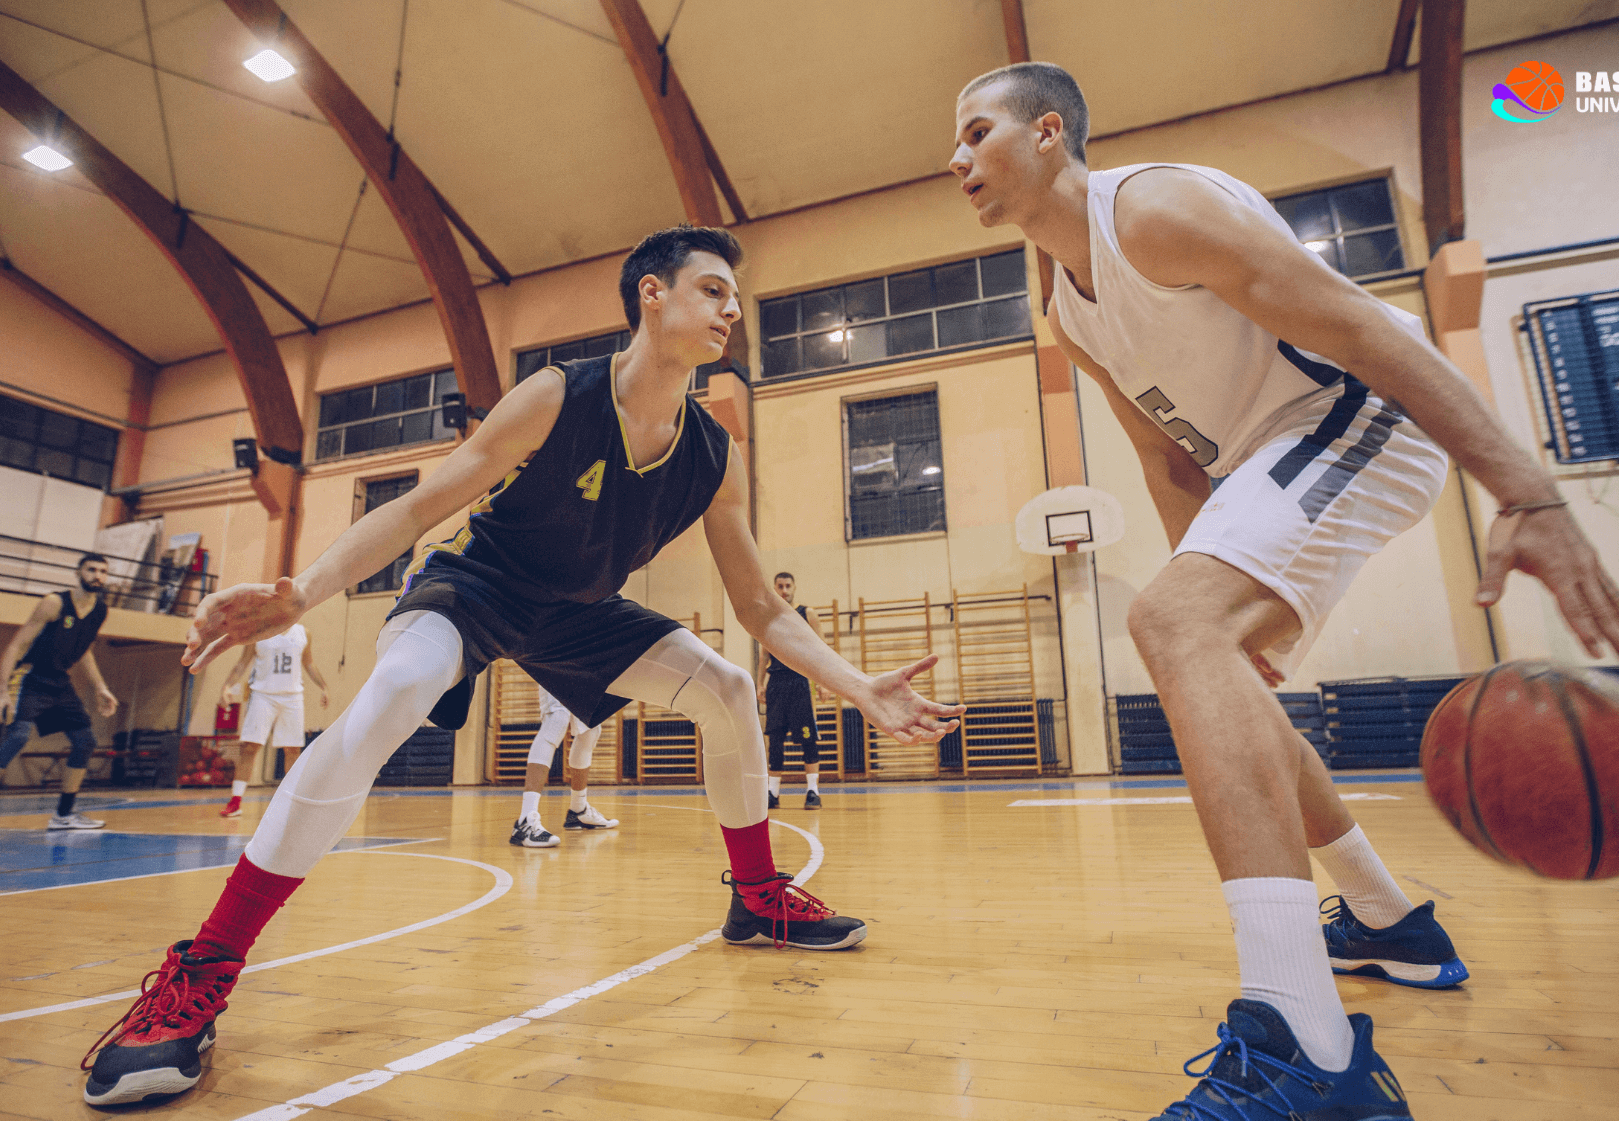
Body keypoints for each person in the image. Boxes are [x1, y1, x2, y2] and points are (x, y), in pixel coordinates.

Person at [79, 225, 964, 1106]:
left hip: (579, 613)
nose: (731, 308)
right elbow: (424, 502)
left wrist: (857, 685)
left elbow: (761, 608)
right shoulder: (556, 396)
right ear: (651, 294)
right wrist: (302, 591)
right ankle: (198, 979)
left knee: (729, 690)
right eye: (711, 289)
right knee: (389, 695)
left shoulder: (712, 453)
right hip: (477, 588)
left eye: (736, 296)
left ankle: (759, 897)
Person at [949, 62, 1619, 1118]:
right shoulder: (1065, 304)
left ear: (1048, 132)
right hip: (1266, 453)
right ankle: (1382, 916)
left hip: (1363, 412)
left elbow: (1364, 329)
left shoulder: (1155, 211)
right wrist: (1212, 621)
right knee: (1194, 641)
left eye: (974, 132)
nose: (954, 159)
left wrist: (1525, 491)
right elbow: (1167, 461)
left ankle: (1311, 1052)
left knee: (1175, 622)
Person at [0, 554, 120, 842]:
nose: (97, 575)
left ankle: (64, 815)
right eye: (91, 569)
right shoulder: (54, 603)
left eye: (103, 571)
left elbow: (84, 650)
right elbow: (16, 646)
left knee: (85, 740)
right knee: (17, 738)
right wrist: (1, 691)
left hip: (59, 682)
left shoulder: (100, 610)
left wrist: (101, 687)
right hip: (30, 676)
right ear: (78, 572)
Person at [216, 622, 329, 818]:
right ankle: (235, 801)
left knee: (292, 750)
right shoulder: (258, 630)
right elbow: (243, 662)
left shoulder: (304, 633)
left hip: (292, 697)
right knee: (249, 747)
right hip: (263, 695)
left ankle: (290, 801)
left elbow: (309, 663)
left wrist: (323, 687)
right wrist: (227, 686)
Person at [511, 685, 620, 847]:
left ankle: (578, 810)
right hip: (550, 660)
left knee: (590, 728)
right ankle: (525, 822)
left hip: (580, 665)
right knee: (557, 719)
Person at [758, 572, 827, 810]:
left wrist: (823, 683)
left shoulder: (807, 614)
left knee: (808, 739)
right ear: (774, 588)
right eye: (780, 586)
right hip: (776, 684)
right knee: (775, 740)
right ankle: (773, 793)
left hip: (800, 682)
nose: (784, 590)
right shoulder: (768, 617)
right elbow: (764, 655)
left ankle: (812, 791)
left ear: (794, 587)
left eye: (788, 586)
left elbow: (822, 650)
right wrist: (760, 683)